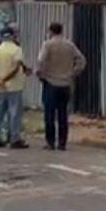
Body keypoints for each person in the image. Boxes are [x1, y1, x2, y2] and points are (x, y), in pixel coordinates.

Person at [36, 22, 86, 151]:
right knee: (63, 114)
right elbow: (81, 61)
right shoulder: (69, 45)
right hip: (65, 84)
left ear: (51, 31)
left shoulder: (47, 45)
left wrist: (40, 73)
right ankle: (62, 143)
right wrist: (72, 73)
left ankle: (50, 142)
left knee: (49, 115)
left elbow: (41, 61)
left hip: (50, 83)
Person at [0, 27, 29, 149]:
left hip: (0, 87)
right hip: (14, 86)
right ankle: (14, 138)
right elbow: (16, 68)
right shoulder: (16, 50)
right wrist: (5, 79)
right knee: (14, 112)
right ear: (12, 36)